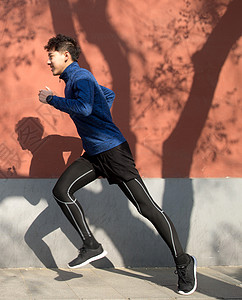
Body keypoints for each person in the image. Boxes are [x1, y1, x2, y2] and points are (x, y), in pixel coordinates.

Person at [38, 34, 197, 295]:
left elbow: (86, 107)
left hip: (113, 152)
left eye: (51, 55)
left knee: (146, 208)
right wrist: (101, 120)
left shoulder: (81, 77)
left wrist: (52, 100)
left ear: (66, 55)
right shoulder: (74, 80)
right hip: (94, 155)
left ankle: (183, 261)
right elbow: (107, 95)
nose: (48, 61)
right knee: (61, 191)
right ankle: (91, 245)